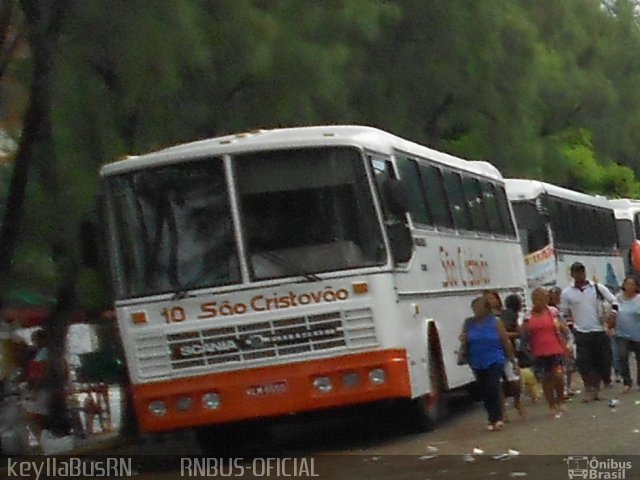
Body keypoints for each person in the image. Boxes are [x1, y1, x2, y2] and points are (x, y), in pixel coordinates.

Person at [560, 262, 618, 402]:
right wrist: (571, 327)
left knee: (601, 361)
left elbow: (614, 301)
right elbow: (564, 313)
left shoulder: (598, 288)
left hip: (599, 330)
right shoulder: (567, 293)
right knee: (584, 362)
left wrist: (612, 317)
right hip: (581, 332)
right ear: (572, 274)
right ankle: (588, 388)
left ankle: (597, 389)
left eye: (581, 272)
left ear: (585, 272)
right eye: (576, 272)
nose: (579, 275)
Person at [462, 296, 516, 431]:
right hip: (477, 360)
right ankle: (491, 417)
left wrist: (511, 358)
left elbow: (505, 341)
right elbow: (464, 339)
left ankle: (498, 417)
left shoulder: (495, 322)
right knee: (484, 390)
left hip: (495, 358)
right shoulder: (469, 323)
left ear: (486, 308)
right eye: (473, 308)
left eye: (478, 307)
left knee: (493, 386)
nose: (475, 310)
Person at [523, 287, 568, 417]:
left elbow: (564, 328)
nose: (539, 301)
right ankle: (551, 404)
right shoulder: (527, 316)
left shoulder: (553, 312)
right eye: (536, 299)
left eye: (542, 298)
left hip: (556, 349)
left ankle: (560, 400)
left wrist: (568, 344)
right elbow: (524, 335)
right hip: (539, 352)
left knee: (558, 375)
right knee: (546, 378)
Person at [613, 276, 640, 393]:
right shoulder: (618, 298)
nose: (630, 286)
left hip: (637, 334)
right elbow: (613, 313)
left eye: (632, 284)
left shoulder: (639, 299)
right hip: (622, 333)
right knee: (622, 356)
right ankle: (627, 382)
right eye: (628, 284)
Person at [549, 286, 577, 397]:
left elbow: (571, 320)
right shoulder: (549, 310)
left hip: (566, 336)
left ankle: (568, 387)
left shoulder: (565, 307)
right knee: (559, 366)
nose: (556, 297)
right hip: (555, 339)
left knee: (569, 364)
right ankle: (561, 389)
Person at [500, 293, 524, 419]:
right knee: (514, 380)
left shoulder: (506, 315)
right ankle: (515, 403)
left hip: (506, 352)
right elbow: (516, 333)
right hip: (506, 352)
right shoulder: (510, 315)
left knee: (506, 381)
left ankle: (505, 410)